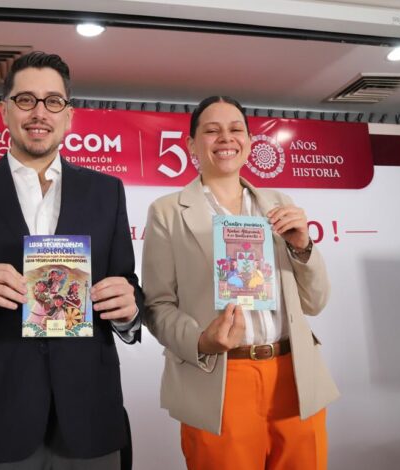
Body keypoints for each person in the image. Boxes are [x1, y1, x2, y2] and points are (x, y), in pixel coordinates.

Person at [0, 51, 143, 469]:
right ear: (4, 110)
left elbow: (127, 283)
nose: (39, 113)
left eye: (53, 101)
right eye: (25, 100)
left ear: (69, 115)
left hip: (88, 414)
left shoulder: (106, 191)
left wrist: (130, 309)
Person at [142, 96, 339, 469]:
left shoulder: (279, 203)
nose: (225, 138)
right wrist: (201, 340)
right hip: (219, 375)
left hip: (294, 373)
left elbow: (316, 301)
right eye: (211, 131)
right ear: (191, 145)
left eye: (235, 129)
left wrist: (302, 246)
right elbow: (156, 305)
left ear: (249, 142)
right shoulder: (167, 212)